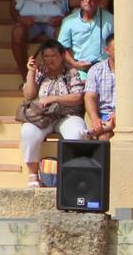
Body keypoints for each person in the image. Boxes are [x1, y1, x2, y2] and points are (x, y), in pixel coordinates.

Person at [18, 42, 87, 188]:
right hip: (42, 117)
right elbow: (29, 95)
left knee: (77, 133)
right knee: (27, 132)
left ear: (62, 56)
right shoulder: (40, 71)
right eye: (46, 56)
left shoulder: (71, 72)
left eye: (54, 56)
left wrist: (54, 98)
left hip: (66, 115)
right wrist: (30, 72)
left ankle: (71, 175)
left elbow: (78, 97)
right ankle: (33, 175)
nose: (50, 60)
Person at [57, 0, 114, 73]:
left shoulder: (110, 20)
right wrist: (74, 64)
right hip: (79, 71)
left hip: (105, 70)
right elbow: (61, 48)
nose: (88, 0)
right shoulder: (68, 22)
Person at [84, 33, 117, 141]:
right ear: (107, 50)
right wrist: (95, 119)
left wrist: (118, 114)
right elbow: (89, 97)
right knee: (102, 138)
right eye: (116, 49)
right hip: (100, 113)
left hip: (123, 115)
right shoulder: (96, 70)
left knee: (103, 138)